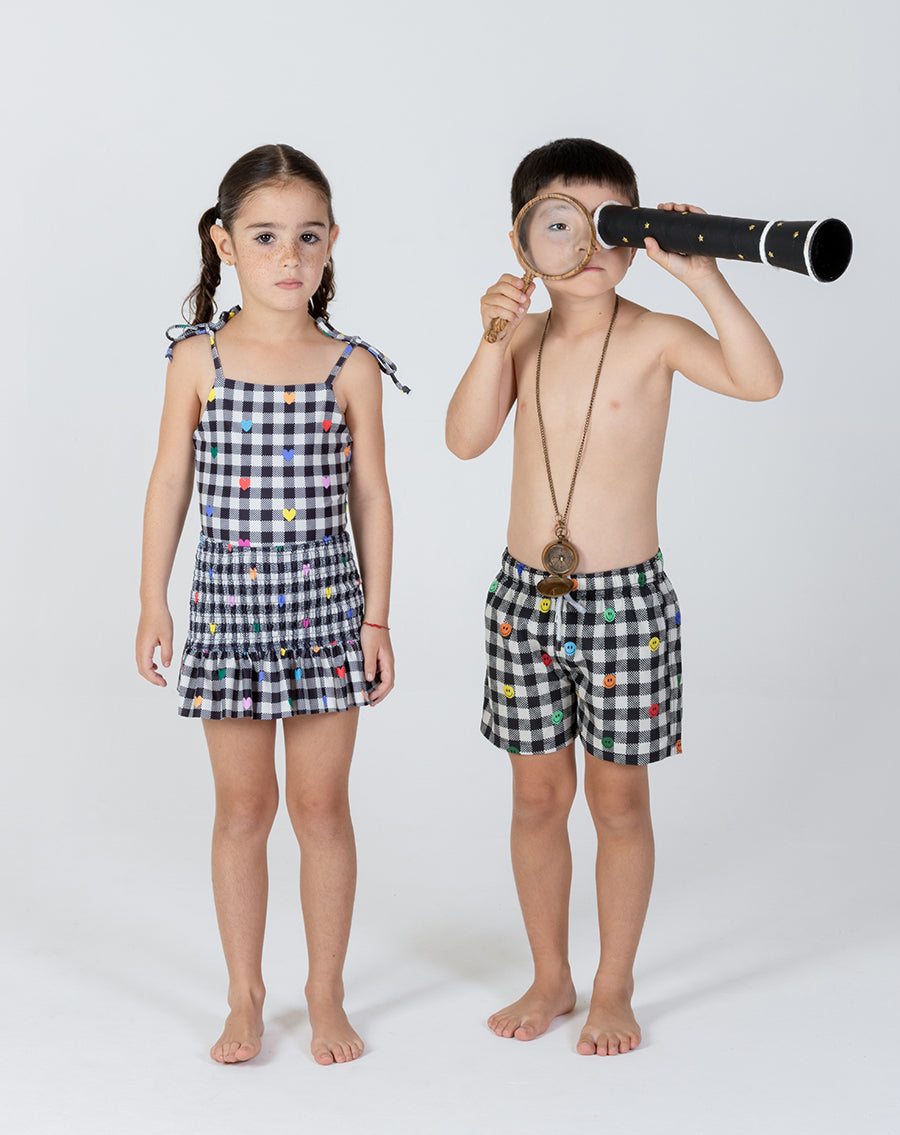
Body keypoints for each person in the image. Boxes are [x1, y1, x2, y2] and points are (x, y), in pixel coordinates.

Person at [446, 138, 782, 1057]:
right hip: (525, 598)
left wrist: (703, 278)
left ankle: (613, 982)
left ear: (636, 240)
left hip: (627, 603)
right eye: (564, 223)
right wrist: (490, 334)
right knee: (534, 797)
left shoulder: (655, 334)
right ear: (527, 242)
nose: (590, 243)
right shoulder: (520, 335)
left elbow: (760, 380)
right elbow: (465, 438)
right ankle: (550, 973)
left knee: (619, 803)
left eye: (613, 225)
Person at [136, 144, 407, 1065]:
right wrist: (152, 599)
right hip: (227, 617)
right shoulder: (196, 358)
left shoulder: (351, 367)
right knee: (243, 810)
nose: (288, 257)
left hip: (325, 615)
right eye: (265, 237)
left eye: (307, 237)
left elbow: (372, 496)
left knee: (322, 809)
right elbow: (170, 480)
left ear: (331, 245)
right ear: (224, 243)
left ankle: (324, 991)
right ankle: (244, 994)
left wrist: (375, 619)